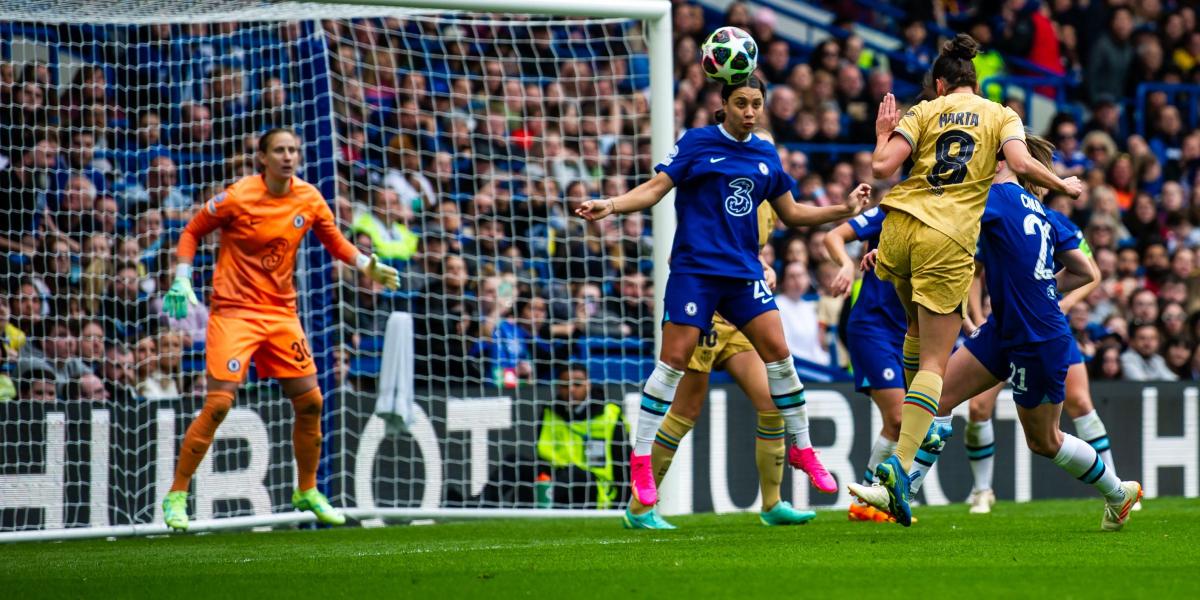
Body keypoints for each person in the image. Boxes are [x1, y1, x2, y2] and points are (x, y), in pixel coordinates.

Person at [576, 76, 871, 520]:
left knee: (780, 356)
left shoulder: (765, 156)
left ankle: (801, 454)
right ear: (724, 105)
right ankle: (640, 471)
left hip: (742, 277)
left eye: (756, 104)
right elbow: (657, 189)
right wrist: (613, 205)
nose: (750, 111)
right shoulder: (696, 143)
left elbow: (792, 212)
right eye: (742, 103)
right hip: (696, 274)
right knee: (673, 372)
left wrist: (843, 210)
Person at [853, 136, 1142, 532]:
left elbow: (938, 220)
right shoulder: (1043, 212)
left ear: (1000, 160)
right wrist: (1041, 288)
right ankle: (903, 488)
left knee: (1045, 441)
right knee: (935, 398)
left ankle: (1117, 492)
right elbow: (1085, 271)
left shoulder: (992, 198)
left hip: (1036, 337)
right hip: (1005, 327)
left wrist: (896, 248)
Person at [856, 34, 1082, 526]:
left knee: (915, 335)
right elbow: (1021, 165)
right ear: (975, 82)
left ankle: (921, 433)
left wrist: (881, 133)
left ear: (939, 83)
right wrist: (1062, 184)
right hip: (947, 236)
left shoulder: (921, 110)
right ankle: (901, 460)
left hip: (898, 227)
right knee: (936, 359)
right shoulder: (1001, 114)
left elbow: (881, 166)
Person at [158, 128, 400, 532]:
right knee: (218, 405)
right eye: (280, 150)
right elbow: (192, 230)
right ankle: (177, 494)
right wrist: (182, 277)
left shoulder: (308, 197)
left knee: (311, 402)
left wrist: (365, 265)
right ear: (263, 158)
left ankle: (307, 489)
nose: (288, 157)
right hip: (234, 313)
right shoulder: (237, 196)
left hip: (281, 314)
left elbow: (335, 241)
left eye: (293, 150)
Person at [624, 138, 826, 529]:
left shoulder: (767, 197)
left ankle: (772, 503)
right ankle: (639, 507)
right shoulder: (717, 184)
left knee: (770, 401)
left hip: (741, 313)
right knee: (685, 411)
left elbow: (756, 247)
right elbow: (686, 250)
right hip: (706, 313)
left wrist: (763, 269)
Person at [825, 206, 907, 522]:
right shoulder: (891, 209)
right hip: (872, 328)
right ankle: (874, 498)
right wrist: (846, 264)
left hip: (909, 332)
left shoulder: (945, 217)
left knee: (900, 423)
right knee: (900, 417)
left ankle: (867, 502)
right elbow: (834, 236)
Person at [479, 363, 629, 509]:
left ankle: (534, 504)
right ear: (558, 387)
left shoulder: (610, 415)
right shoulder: (549, 412)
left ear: (588, 385)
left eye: (577, 384)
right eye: (565, 385)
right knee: (514, 462)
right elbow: (542, 456)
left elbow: (624, 463)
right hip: (556, 474)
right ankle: (481, 505)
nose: (570, 390)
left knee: (573, 473)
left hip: (593, 485)